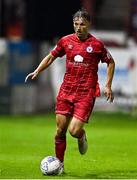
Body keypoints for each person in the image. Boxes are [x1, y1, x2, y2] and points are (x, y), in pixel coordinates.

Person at [25, 9, 115, 173]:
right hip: (66, 90)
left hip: (86, 92)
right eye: (76, 24)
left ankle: (81, 136)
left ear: (88, 24)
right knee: (60, 131)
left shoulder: (96, 45)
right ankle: (60, 165)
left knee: (73, 131)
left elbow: (110, 62)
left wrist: (108, 85)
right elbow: (51, 56)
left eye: (82, 24)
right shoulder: (66, 41)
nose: (78, 27)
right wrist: (38, 70)